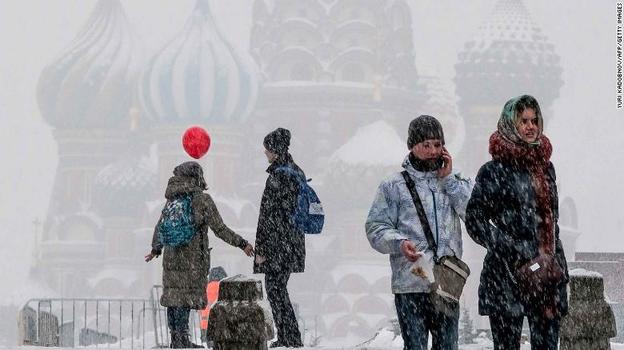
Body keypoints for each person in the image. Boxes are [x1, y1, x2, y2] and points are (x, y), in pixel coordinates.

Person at [465, 95, 569, 350]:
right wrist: (513, 247)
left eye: (534, 120)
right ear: (511, 123)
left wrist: (553, 259)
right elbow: (475, 220)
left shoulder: (546, 167)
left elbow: (550, 221)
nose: (530, 126)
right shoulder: (493, 171)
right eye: (523, 121)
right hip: (506, 275)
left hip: (545, 274)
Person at [365, 115, 472, 350]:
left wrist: (450, 182)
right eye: (426, 145)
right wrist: (399, 243)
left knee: (447, 346)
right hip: (411, 282)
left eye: (438, 144)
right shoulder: (393, 186)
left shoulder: (456, 181)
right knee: (415, 346)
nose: (433, 151)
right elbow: (375, 227)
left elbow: (473, 214)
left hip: (447, 282)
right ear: (412, 146)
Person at [145, 161, 253, 349]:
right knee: (184, 298)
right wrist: (242, 243)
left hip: (171, 257)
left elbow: (160, 226)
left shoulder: (172, 200)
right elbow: (220, 229)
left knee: (174, 297)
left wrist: (156, 249)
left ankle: (176, 338)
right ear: (197, 177)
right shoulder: (202, 200)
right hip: (192, 257)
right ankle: (182, 340)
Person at [253, 127, 305, 348]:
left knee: (275, 290)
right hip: (292, 242)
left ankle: (289, 336)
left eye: (267, 149)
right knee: (278, 288)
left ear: (275, 150)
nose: (265, 153)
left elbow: (268, 216)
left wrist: (261, 249)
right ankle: (289, 335)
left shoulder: (279, 175)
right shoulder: (296, 171)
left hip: (277, 245)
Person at [200, 266, 227, 345]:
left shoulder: (205, 288)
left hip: (205, 325)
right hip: (220, 324)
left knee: (209, 345)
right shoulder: (223, 287)